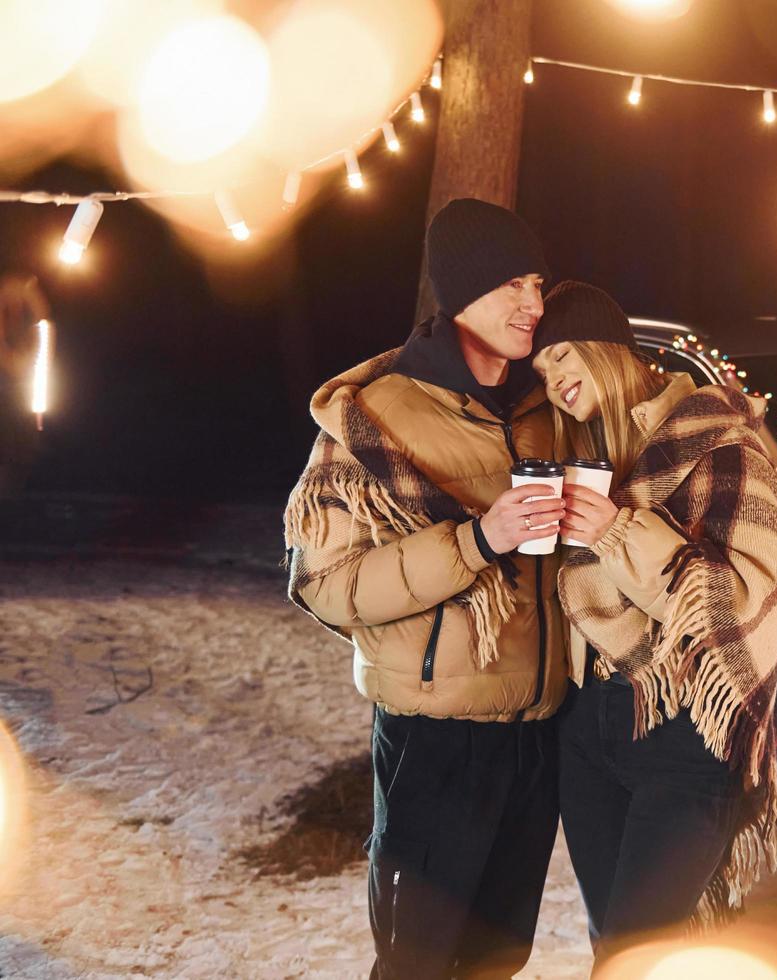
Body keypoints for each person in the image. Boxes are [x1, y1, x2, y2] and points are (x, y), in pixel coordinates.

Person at [283, 199, 569, 979]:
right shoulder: (374, 417)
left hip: (537, 730)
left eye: (538, 282)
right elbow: (325, 586)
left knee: (497, 962)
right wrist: (477, 540)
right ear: (463, 290)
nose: (534, 305)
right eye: (512, 282)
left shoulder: (546, 410)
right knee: (417, 964)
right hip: (436, 736)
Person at [529, 281, 777, 960]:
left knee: (633, 951)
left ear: (607, 349)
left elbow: (731, 606)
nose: (552, 378)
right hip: (587, 728)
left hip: (684, 730)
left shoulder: (723, 449)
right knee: (613, 942)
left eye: (561, 356)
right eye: (540, 368)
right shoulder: (589, 460)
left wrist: (619, 531)